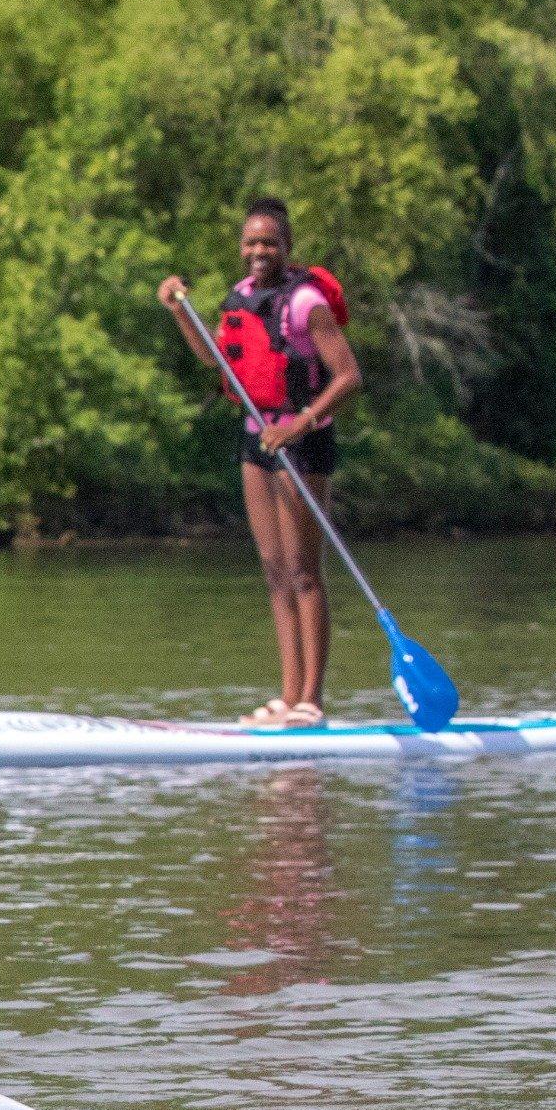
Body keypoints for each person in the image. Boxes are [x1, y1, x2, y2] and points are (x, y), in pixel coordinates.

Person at [160, 198, 363, 726]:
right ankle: (287, 693)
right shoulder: (241, 299)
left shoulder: (305, 303)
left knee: (303, 572)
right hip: (256, 437)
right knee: (274, 571)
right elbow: (213, 356)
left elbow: (347, 376)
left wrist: (301, 423)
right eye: (251, 242)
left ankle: (311, 701)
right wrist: (181, 311)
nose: (258, 252)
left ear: (287, 246)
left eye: (269, 243)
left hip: (302, 438)